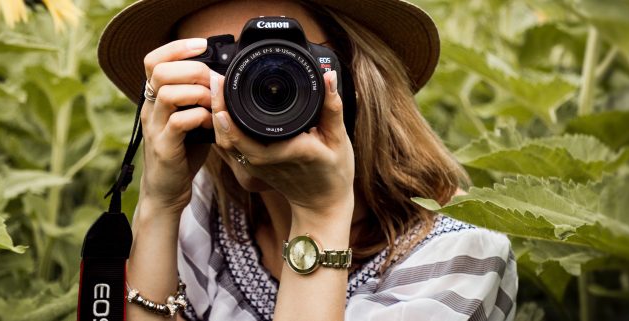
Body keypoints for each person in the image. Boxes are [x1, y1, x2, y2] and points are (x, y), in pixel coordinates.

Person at [97, 0, 518, 320]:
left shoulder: (461, 252)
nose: (249, 93)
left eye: (281, 58)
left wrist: (320, 212)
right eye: (222, 66)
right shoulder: (208, 208)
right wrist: (159, 201)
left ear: (356, 76)